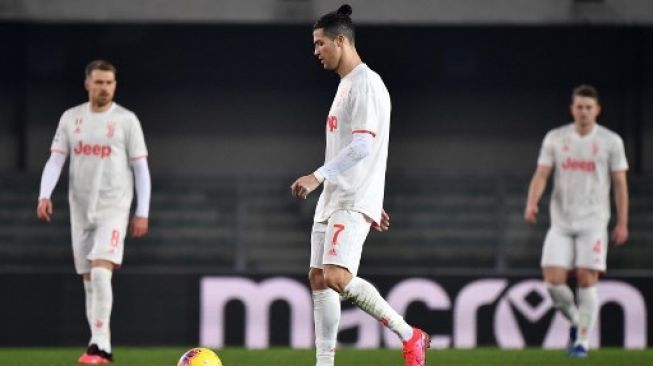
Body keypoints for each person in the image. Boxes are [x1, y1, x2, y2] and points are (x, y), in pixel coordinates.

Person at [290, 5, 430, 366]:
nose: (316, 51)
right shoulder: (345, 86)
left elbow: (364, 145)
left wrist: (317, 176)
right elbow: (359, 150)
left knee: (336, 276)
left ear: (341, 40)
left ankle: (409, 334)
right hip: (341, 196)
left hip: (347, 197)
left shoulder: (366, 84)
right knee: (318, 278)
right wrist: (371, 194)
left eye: (320, 43)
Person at [36, 59, 151, 364]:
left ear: (115, 85)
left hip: (114, 206)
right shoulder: (71, 119)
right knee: (89, 280)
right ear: (87, 83)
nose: (104, 88)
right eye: (99, 82)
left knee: (101, 272)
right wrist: (44, 194)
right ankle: (101, 347)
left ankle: (99, 345)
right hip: (80, 209)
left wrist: (142, 211)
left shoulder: (127, 121)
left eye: (109, 83)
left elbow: (141, 169)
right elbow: (56, 160)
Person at [524, 84, 629, 358]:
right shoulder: (556, 138)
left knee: (586, 278)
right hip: (561, 222)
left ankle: (582, 341)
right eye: (579, 107)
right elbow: (542, 174)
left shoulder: (611, 141)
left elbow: (620, 183)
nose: (583, 112)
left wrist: (622, 222)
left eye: (588, 107)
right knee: (553, 282)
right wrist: (532, 202)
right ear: (572, 109)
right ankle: (576, 321)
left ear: (597, 110)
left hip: (594, 222)